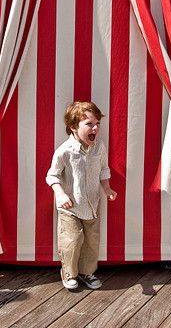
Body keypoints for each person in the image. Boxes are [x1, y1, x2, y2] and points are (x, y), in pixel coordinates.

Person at [46, 101, 117, 291]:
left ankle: (87, 272)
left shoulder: (99, 147)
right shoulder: (65, 151)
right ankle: (68, 271)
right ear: (73, 127)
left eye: (97, 124)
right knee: (72, 240)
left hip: (92, 204)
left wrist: (107, 189)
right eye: (89, 124)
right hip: (70, 206)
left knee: (92, 242)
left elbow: (103, 170)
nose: (95, 128)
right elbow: (52, 175)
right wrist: (60, 194)